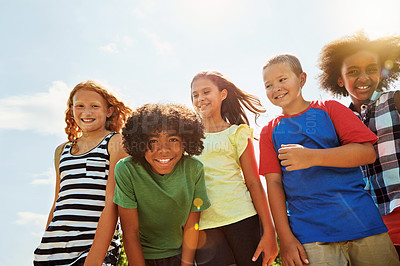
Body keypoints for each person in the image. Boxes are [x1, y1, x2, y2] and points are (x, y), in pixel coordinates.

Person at [259, 54, 400, 265]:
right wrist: (285, 238)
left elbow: (366, 153)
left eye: (282, 79)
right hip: (311, 234)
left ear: (302, 79)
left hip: (363, 223)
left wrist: (312, 157)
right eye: (268, 85)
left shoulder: (330, 109)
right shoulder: (269, 132)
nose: (276, 88)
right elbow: (274, 184)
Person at [318, 32, 400, 257]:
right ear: (340, 79)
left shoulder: (394, 100)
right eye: (353, 72)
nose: (363, 77)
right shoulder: (337, 120)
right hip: (368, 225)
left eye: (371, 70)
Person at [34, 80, 132, 265]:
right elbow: (58, 202)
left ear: (109, 110)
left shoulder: (115, 142)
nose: (86, 112)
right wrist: (44, 247)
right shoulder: (61, 150)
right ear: (72, 109)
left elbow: (113, 204)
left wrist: (94, 259)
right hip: (52, 251)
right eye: (79, 106)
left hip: (94, 249)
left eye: (94, 106)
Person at [190, 71, 278, 266]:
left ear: (222, 94)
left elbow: (254, 182)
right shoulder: (187, 137)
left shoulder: (237, 132)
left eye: (206, 92)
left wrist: (269, 231)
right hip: (205, 225)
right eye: (195, 95)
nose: (200, 99)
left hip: (243, 218)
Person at [113, 103, 210, 266]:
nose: (163, 149)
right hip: (142, 256)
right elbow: (130, 233)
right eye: (153, 140)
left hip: (181, 255)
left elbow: (191, 227)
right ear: (138, 142)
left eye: (173, 139)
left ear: (186, 141)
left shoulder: (194, 169)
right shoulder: (126, 170)